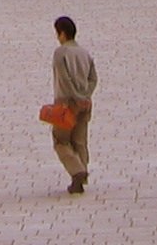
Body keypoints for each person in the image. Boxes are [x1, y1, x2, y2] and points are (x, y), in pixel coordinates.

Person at [50, 15, 98, 194]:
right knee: (80, 141)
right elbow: (93, 78)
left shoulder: (60, 52)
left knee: (61, 141)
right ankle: (81, 173)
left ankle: (77, 171)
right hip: (86, 103)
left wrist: (76, 96)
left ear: (62, 33)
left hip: (66, 103)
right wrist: (86, 95)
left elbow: (64, 78)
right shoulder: (85, 53)